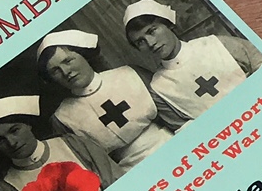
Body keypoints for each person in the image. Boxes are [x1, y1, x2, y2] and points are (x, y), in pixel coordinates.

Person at [36, 28, 180, 171]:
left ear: (84, 55)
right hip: (128, 172)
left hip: (172, 145)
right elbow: (91, 164)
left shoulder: (129, 74)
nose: (66, 72)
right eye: (55, 71)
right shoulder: (62, 118)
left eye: (68, 61)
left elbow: (176, 116)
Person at [122, 0, 262, 119]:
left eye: (152, 31)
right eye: (140, 42)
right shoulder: (159, 90)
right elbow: (189, 133)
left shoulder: (217, 44)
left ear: (168, 24)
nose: (150, 43)